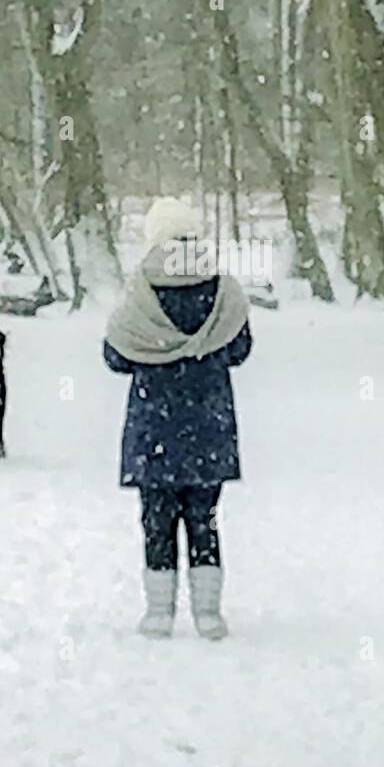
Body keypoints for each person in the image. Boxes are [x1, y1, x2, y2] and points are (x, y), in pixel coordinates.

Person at [103, 198, 253, 639]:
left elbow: (115, 356)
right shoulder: (223, 288)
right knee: (204, 517)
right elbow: (240, 350)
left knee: (157, 518)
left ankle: (158, 612)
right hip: (209, 421)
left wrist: (157, 354)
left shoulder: (139, 290)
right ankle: (209, 614)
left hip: (155, 424)